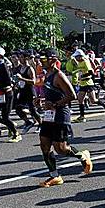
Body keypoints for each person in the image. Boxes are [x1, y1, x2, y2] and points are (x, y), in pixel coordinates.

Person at [39, 48, 92, 187]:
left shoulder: (58, 75)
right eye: (41, 59)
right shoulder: (48, 74)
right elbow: (52, 93)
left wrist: (55, 104)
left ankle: (82, 155)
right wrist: (40, 99)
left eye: (44, 59)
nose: (41, 61)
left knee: (61, 149)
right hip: (49, 116)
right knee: (44, 144)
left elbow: (72, 96)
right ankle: (55, 176)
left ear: (53, 59)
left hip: (61, 115)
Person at [0, 47, 21, 143]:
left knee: (5, 116)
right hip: (0, 94)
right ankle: (10, 125)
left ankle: (16, 134)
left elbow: (8, 80)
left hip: (7, 94)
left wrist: (6, 86)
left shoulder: (3, 66)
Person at [72, 49, 105, 123]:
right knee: (80, 99)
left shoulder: (85, 62)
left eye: (76, 57)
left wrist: (83, 75)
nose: (75, 58)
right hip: (82, 83)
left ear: (80, 56)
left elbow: (91, 73)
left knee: (93, 100)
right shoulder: (79, 63)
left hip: (88, 83)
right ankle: (82, 117)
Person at [14, 51, 42, 134]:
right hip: (22, 91)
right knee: (18, 108)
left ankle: (41, 124)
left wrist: (22, 79)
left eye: (21, 57)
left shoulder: (30, 68)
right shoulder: (20, 68)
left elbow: (33, 81)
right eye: (19, 57)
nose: (20, 59)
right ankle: (28, 122)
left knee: (33, 110)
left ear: (26, 58)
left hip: (30, 91)